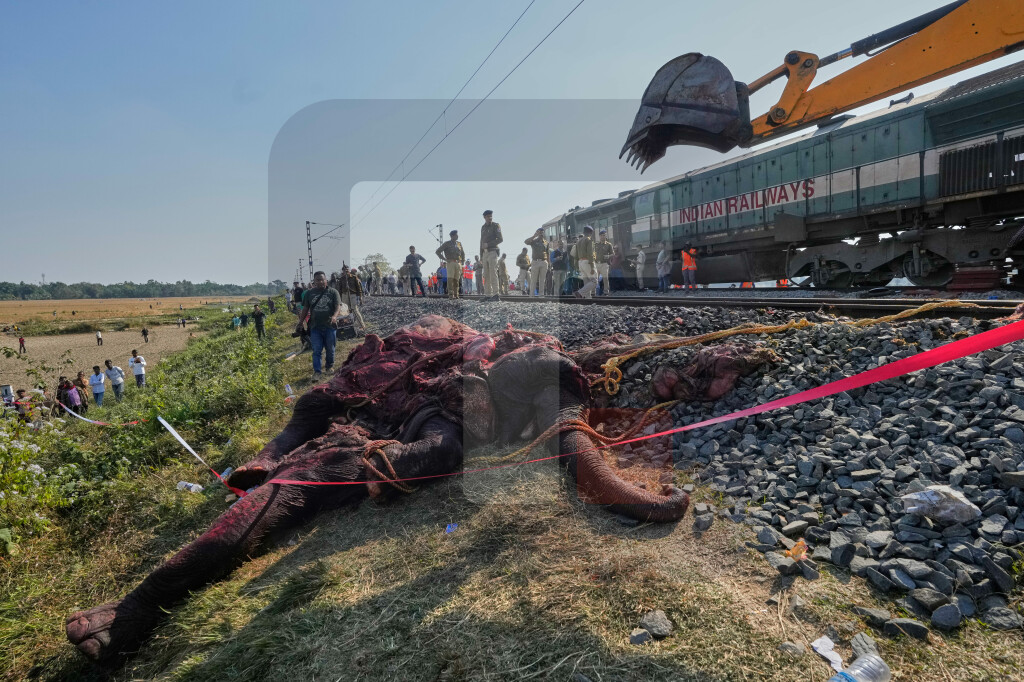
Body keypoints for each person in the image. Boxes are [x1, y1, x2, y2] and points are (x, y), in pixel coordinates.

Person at [300, 270, 343, 379]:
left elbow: (338, 306)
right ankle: (317, 372)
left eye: (322, 280)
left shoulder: (333, 292)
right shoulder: (309, 293)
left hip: (330, 326)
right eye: (317, 280)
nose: (320, 282)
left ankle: (329, 366)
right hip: (315, 327)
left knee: (330, 348)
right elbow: (305, 308)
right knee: (317, 350)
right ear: (314, 282)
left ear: (326, 280)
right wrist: (300, 322)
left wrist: (334, 316)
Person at [479, 209, 503, 296]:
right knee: (486, 275)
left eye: (491, 216)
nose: (490, 218)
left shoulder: (495, 226)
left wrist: (488, 244)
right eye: (488, 216)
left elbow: (500, 239)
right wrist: (481, 255)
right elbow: (481, 242)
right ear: (484, 217)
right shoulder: (483, 227)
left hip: (492, 251)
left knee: (493, 273)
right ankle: (488, 294)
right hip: (485, 253)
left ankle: (496, 294)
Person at [436, 230, 464, 299]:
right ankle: (451, 294)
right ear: (452, 236)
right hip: (450, 262)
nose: (457, 236)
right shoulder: (447, 243)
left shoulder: (459, 244)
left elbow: (463, 253)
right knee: (450, 279)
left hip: (458, 263)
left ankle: (456, 294)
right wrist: (445, 259)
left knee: (457, 279)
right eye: (456, 235)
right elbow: (438, 251)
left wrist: (462, 262)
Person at [337, 265, 366, 331]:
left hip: (353, 294)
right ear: (343, 271)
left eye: (347, 269)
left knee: (355, 309)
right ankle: (349, 325)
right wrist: (340, 299)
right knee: (347, 311)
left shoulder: (354, 277)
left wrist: (360, 297)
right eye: (344, 270)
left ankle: (361, 324)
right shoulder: (341, 279)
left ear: (349, 270)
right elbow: (340, 289)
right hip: (344, 295)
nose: (346, 271)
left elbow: (359, 288)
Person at [574, 225, 598, 299]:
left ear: (584, 232)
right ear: (590, 233)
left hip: (580, 262)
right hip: (587, 262)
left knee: (586, 282)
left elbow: (576, 255)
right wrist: (592, 266)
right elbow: (590, 254)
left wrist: (577, 266)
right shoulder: (589, 240)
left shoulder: (578, 241)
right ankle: (580, 292)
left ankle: (588, 299)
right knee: (594, 281)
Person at [524, 228, 549, 297]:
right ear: (537, 233)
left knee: (542, 280)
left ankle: (541, 294)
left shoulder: (546, 242)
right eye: (540, 232)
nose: (541, 234)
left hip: (544, 262)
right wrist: (534, 236)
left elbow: (547, 253)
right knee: (533, 279)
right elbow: (526, 242)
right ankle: (531, 295)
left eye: (542, 232)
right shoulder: (533, 241)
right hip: (535, 261)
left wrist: (548, 263)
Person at [595, 229, 613, 296]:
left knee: (605, 278)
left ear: (605, 236)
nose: (603, 237)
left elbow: (612, 254)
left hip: (604, 264)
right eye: (601, 235)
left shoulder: (609, 245)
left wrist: (608, 256)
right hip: (597, 264)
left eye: (604, 235)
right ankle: (596, 292)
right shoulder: (596, 244)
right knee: (595, 278)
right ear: (599, 236)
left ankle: (606, 292)